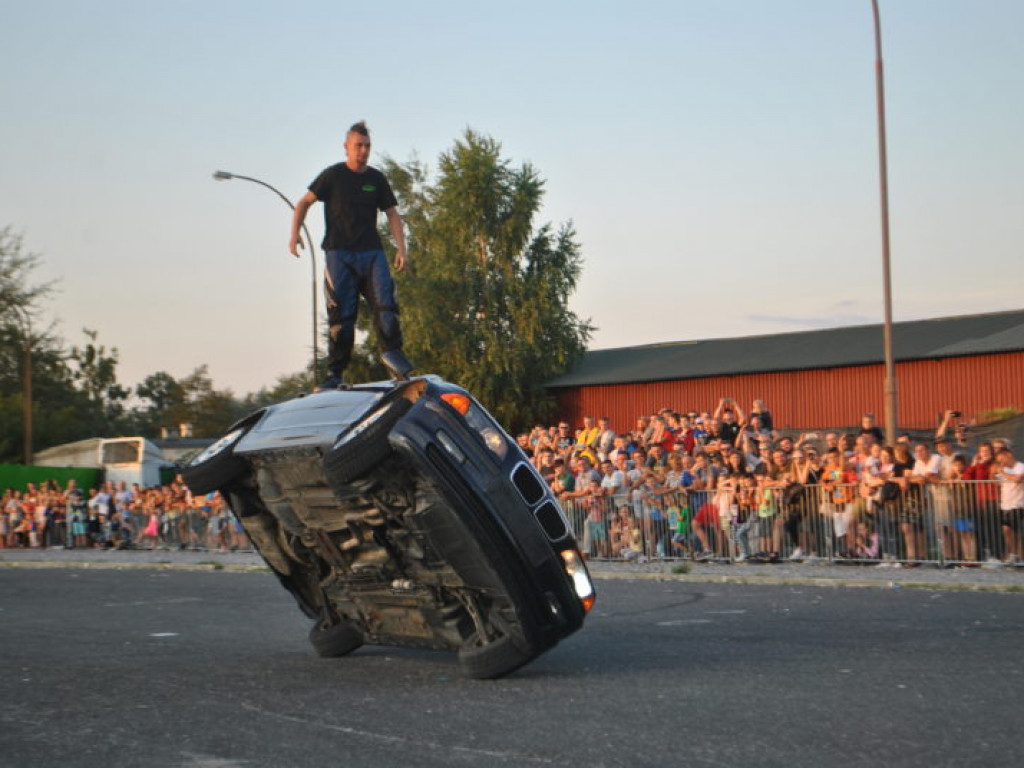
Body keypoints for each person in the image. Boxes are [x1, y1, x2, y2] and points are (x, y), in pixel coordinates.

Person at [289, 121, 412, 389]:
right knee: (342, 319)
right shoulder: (332, 176)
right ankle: (335, 374)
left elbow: (392, 213)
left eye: (368, 146)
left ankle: (395, 363)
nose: (364, 151)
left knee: (386, 309)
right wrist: (295, 233)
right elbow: (304, 203)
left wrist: (401, 248)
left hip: (371, 254)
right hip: (339, 254)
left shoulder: (376, 179)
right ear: (347, 147)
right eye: (359, 145)